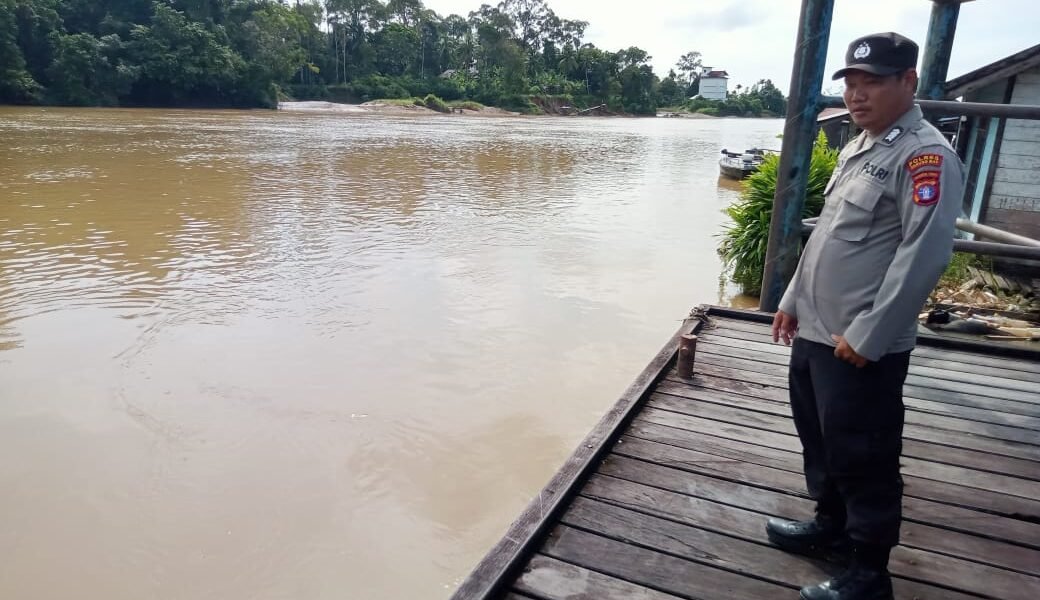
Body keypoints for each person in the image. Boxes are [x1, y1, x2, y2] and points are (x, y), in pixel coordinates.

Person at [766, 32, 965, 600]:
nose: (857, 94)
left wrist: (869, 335)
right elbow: (827, 235)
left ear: (908, 81)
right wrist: (791, 301)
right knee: (821, 439)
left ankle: (870, 572)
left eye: (872, 82)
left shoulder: (925, 157)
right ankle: (830, 527)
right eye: (851, 83)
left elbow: (924, 255)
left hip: (858, 342)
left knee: (864, 454)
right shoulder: (861, 145)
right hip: (816, 330)